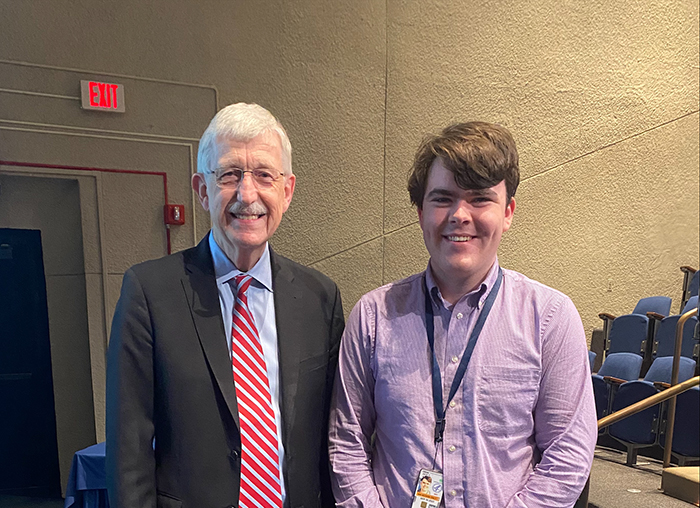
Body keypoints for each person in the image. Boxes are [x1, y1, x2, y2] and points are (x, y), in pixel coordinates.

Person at [329, 122, 597, 507]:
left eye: (479, 199)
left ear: (508, 212)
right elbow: (346, 442)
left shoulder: (551, 319)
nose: (459, 214)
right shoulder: (372, 316)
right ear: (420, 212)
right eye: (442, 199)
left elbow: (567, 454)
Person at [106, 103, 344, 508]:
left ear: (286, 191)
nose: (247, 194)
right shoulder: (149, 292)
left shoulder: (320, 297)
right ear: (202, 189)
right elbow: (129, 451)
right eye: (230, 174)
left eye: (264, 175)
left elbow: (333, 437)